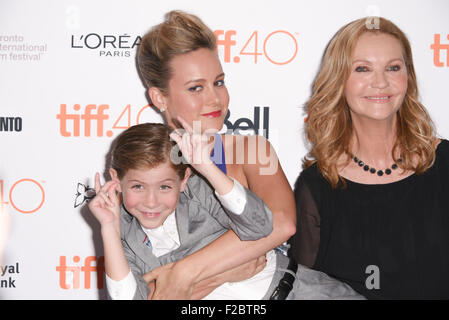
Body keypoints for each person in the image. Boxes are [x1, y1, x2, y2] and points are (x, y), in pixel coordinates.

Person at [89, 122, 362, 300]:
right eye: (137, 186)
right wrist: (109, 230)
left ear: (183, 180)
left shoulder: (200, 191)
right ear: (116, 179)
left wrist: (207, 168)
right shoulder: (123, 234)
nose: (150, 201)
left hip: (299, 292)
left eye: (164, 187)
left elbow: (260, 227)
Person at [134, 10, 297, 299]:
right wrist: (229, 267)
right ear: (160, 98)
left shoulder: (250, 150)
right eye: (196, 88)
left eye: (218, 82)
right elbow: (146, 289)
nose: (215, 98)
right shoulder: (140, 172)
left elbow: (281, 222)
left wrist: (184, 273)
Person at [289, 16, 449, 299]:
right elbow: (306, 288)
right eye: (363, 69)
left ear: (407, 78)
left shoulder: (445, 163)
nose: (380, 82)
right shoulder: (316, 186)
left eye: (393, 68)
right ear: (339, 79)